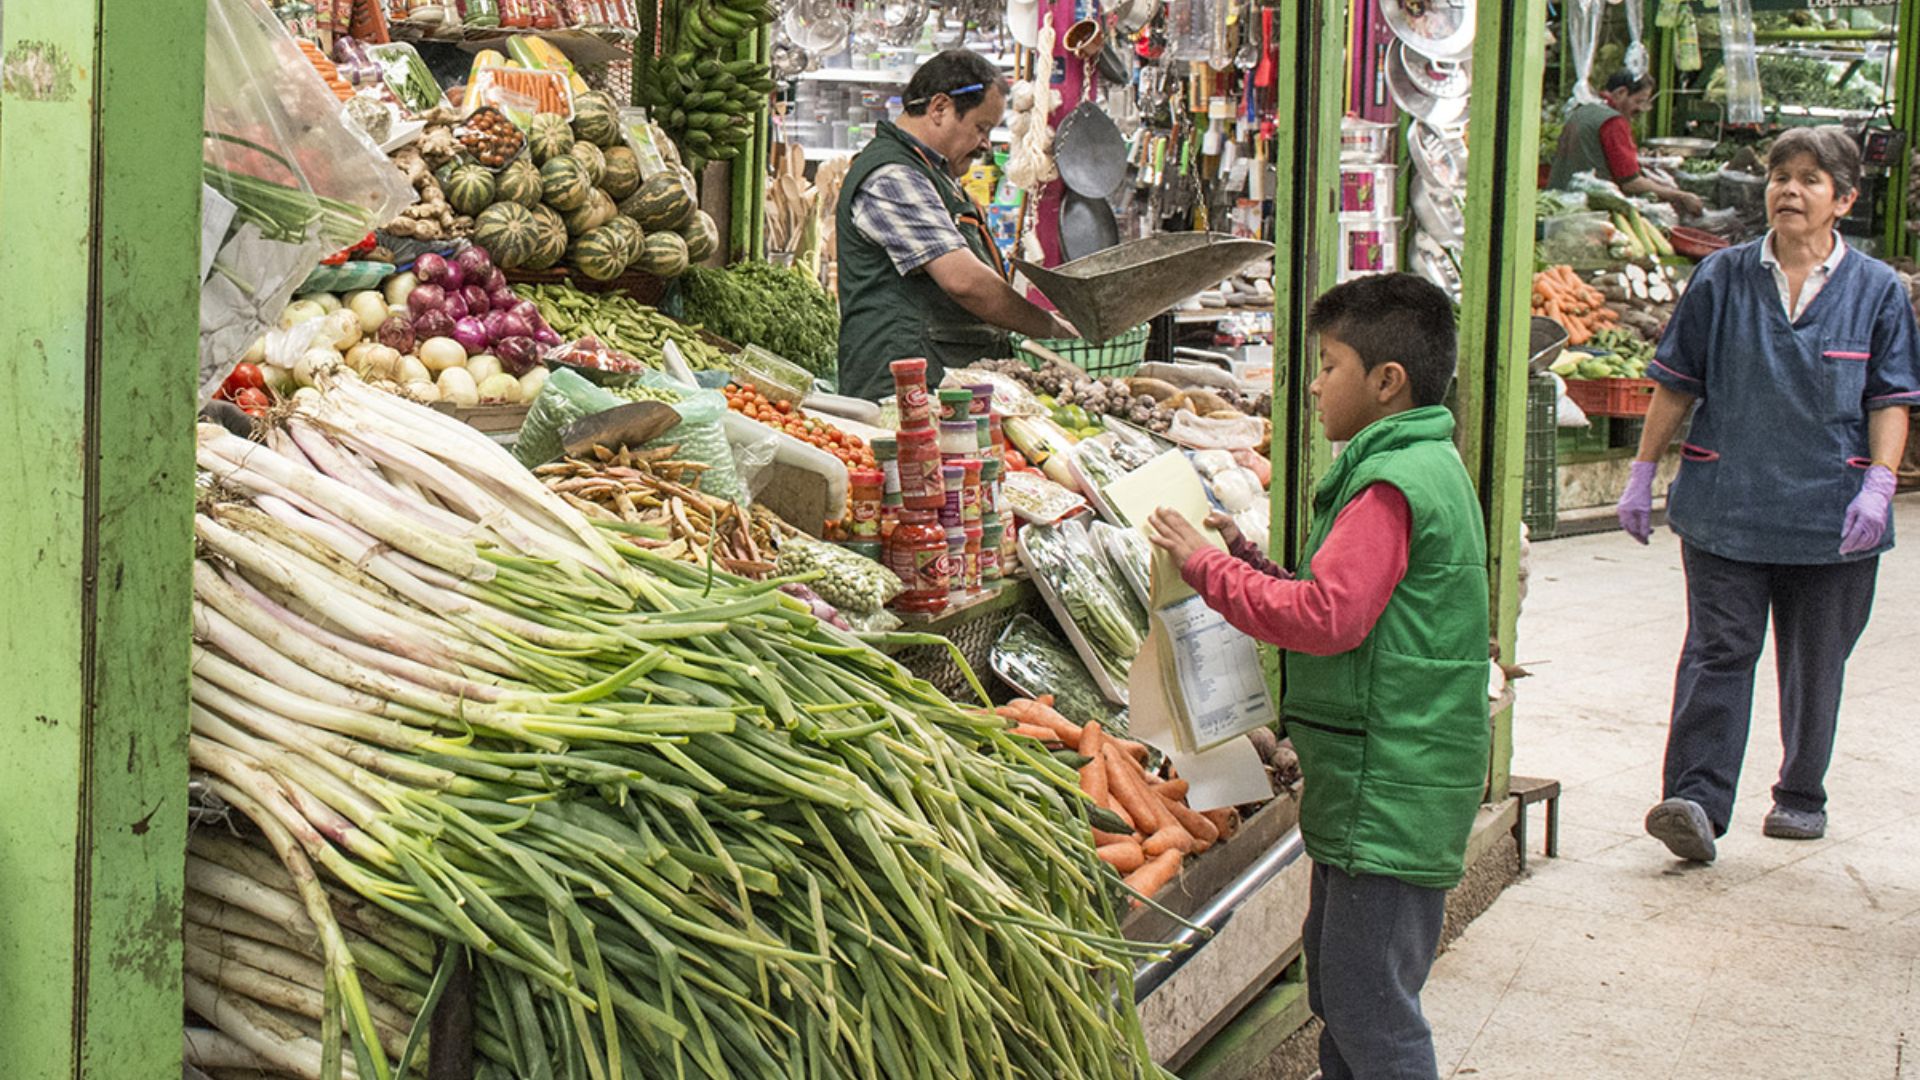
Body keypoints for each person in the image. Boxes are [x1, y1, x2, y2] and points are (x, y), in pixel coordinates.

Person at [1146, 273, 1488, 1080]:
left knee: (1373, 1011)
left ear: (1386, 381)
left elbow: (1329, 619)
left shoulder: (1389, 486)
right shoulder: (1420, 463)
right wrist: (1249, 561)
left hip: (1390, 790)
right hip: (1379, 784)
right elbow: (1352, 600)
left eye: (1328, 365)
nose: (1315, 385)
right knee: (1343, 990)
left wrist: (1205, 569)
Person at [1618, 127, 1920, 863]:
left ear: (1843, 199)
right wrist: (1642, 468)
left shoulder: (1878, 290)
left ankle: (1799, 795)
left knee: (1816, 662)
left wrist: (1879, 483)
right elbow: (1677, 382)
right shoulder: (1721, 278)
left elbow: (1890, 398)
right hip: (1727, 503)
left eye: (1811, 179)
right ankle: (1695, 798)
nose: (1789, 189)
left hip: (1831, 515)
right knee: (1719, 652)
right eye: (1780, 176)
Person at [834, 49, 1075, 400]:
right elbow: (964, 281)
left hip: (938, 384)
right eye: (981, 127)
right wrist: (1049, 327)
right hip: (902, 393)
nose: (985, 143)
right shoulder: (893, 176)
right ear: (940, 108)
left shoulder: (935, 173)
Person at [1547, 70, 1704, 218]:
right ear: (1621, 92)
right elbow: (1630, 183)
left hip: (1559, 200)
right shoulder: (1613, 122)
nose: (1641, 109)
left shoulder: (1585, 109)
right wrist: (1680, 196)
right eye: (1639, 101)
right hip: (1586, 209)